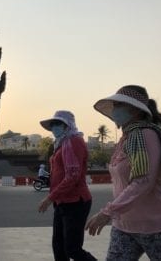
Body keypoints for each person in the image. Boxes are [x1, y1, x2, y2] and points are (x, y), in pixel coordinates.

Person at [86, 85, 161, 260]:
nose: (114, 110)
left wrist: (107, 212)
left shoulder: (145, 135)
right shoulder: (126, 139)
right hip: (124, 225)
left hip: (159, 226)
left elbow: (143, 182)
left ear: (135, 110)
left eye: (119, 105)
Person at [38, 110, 96, 261]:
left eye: (58, 123)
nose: (54, 127)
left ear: (67, 125)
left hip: (76, 201)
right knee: (59, 247)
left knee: (72, 249)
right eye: (53, 124)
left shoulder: (74, 142)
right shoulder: (61, 143)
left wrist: (49, 198)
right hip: (62, 202)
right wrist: (54, 198)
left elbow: (73, 176)